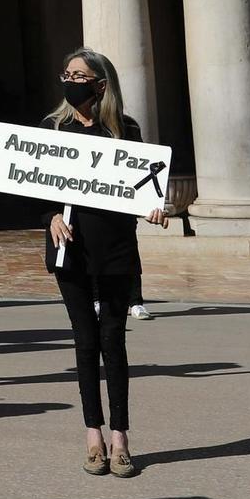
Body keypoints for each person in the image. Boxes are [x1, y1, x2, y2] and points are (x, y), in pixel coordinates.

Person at [43, 48, 169, 476]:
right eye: (67, 74)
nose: (71, 81)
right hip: (70, 248)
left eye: (79, 75)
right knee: (85, 343)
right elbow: (32, 185)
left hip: (115, 249)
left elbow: (143, 188)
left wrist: (154, 206)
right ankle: (92, 434)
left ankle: (120, 437)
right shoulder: (53, 129)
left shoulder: (125, 131)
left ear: (101, 83)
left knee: (113, 342)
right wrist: (51, 216)